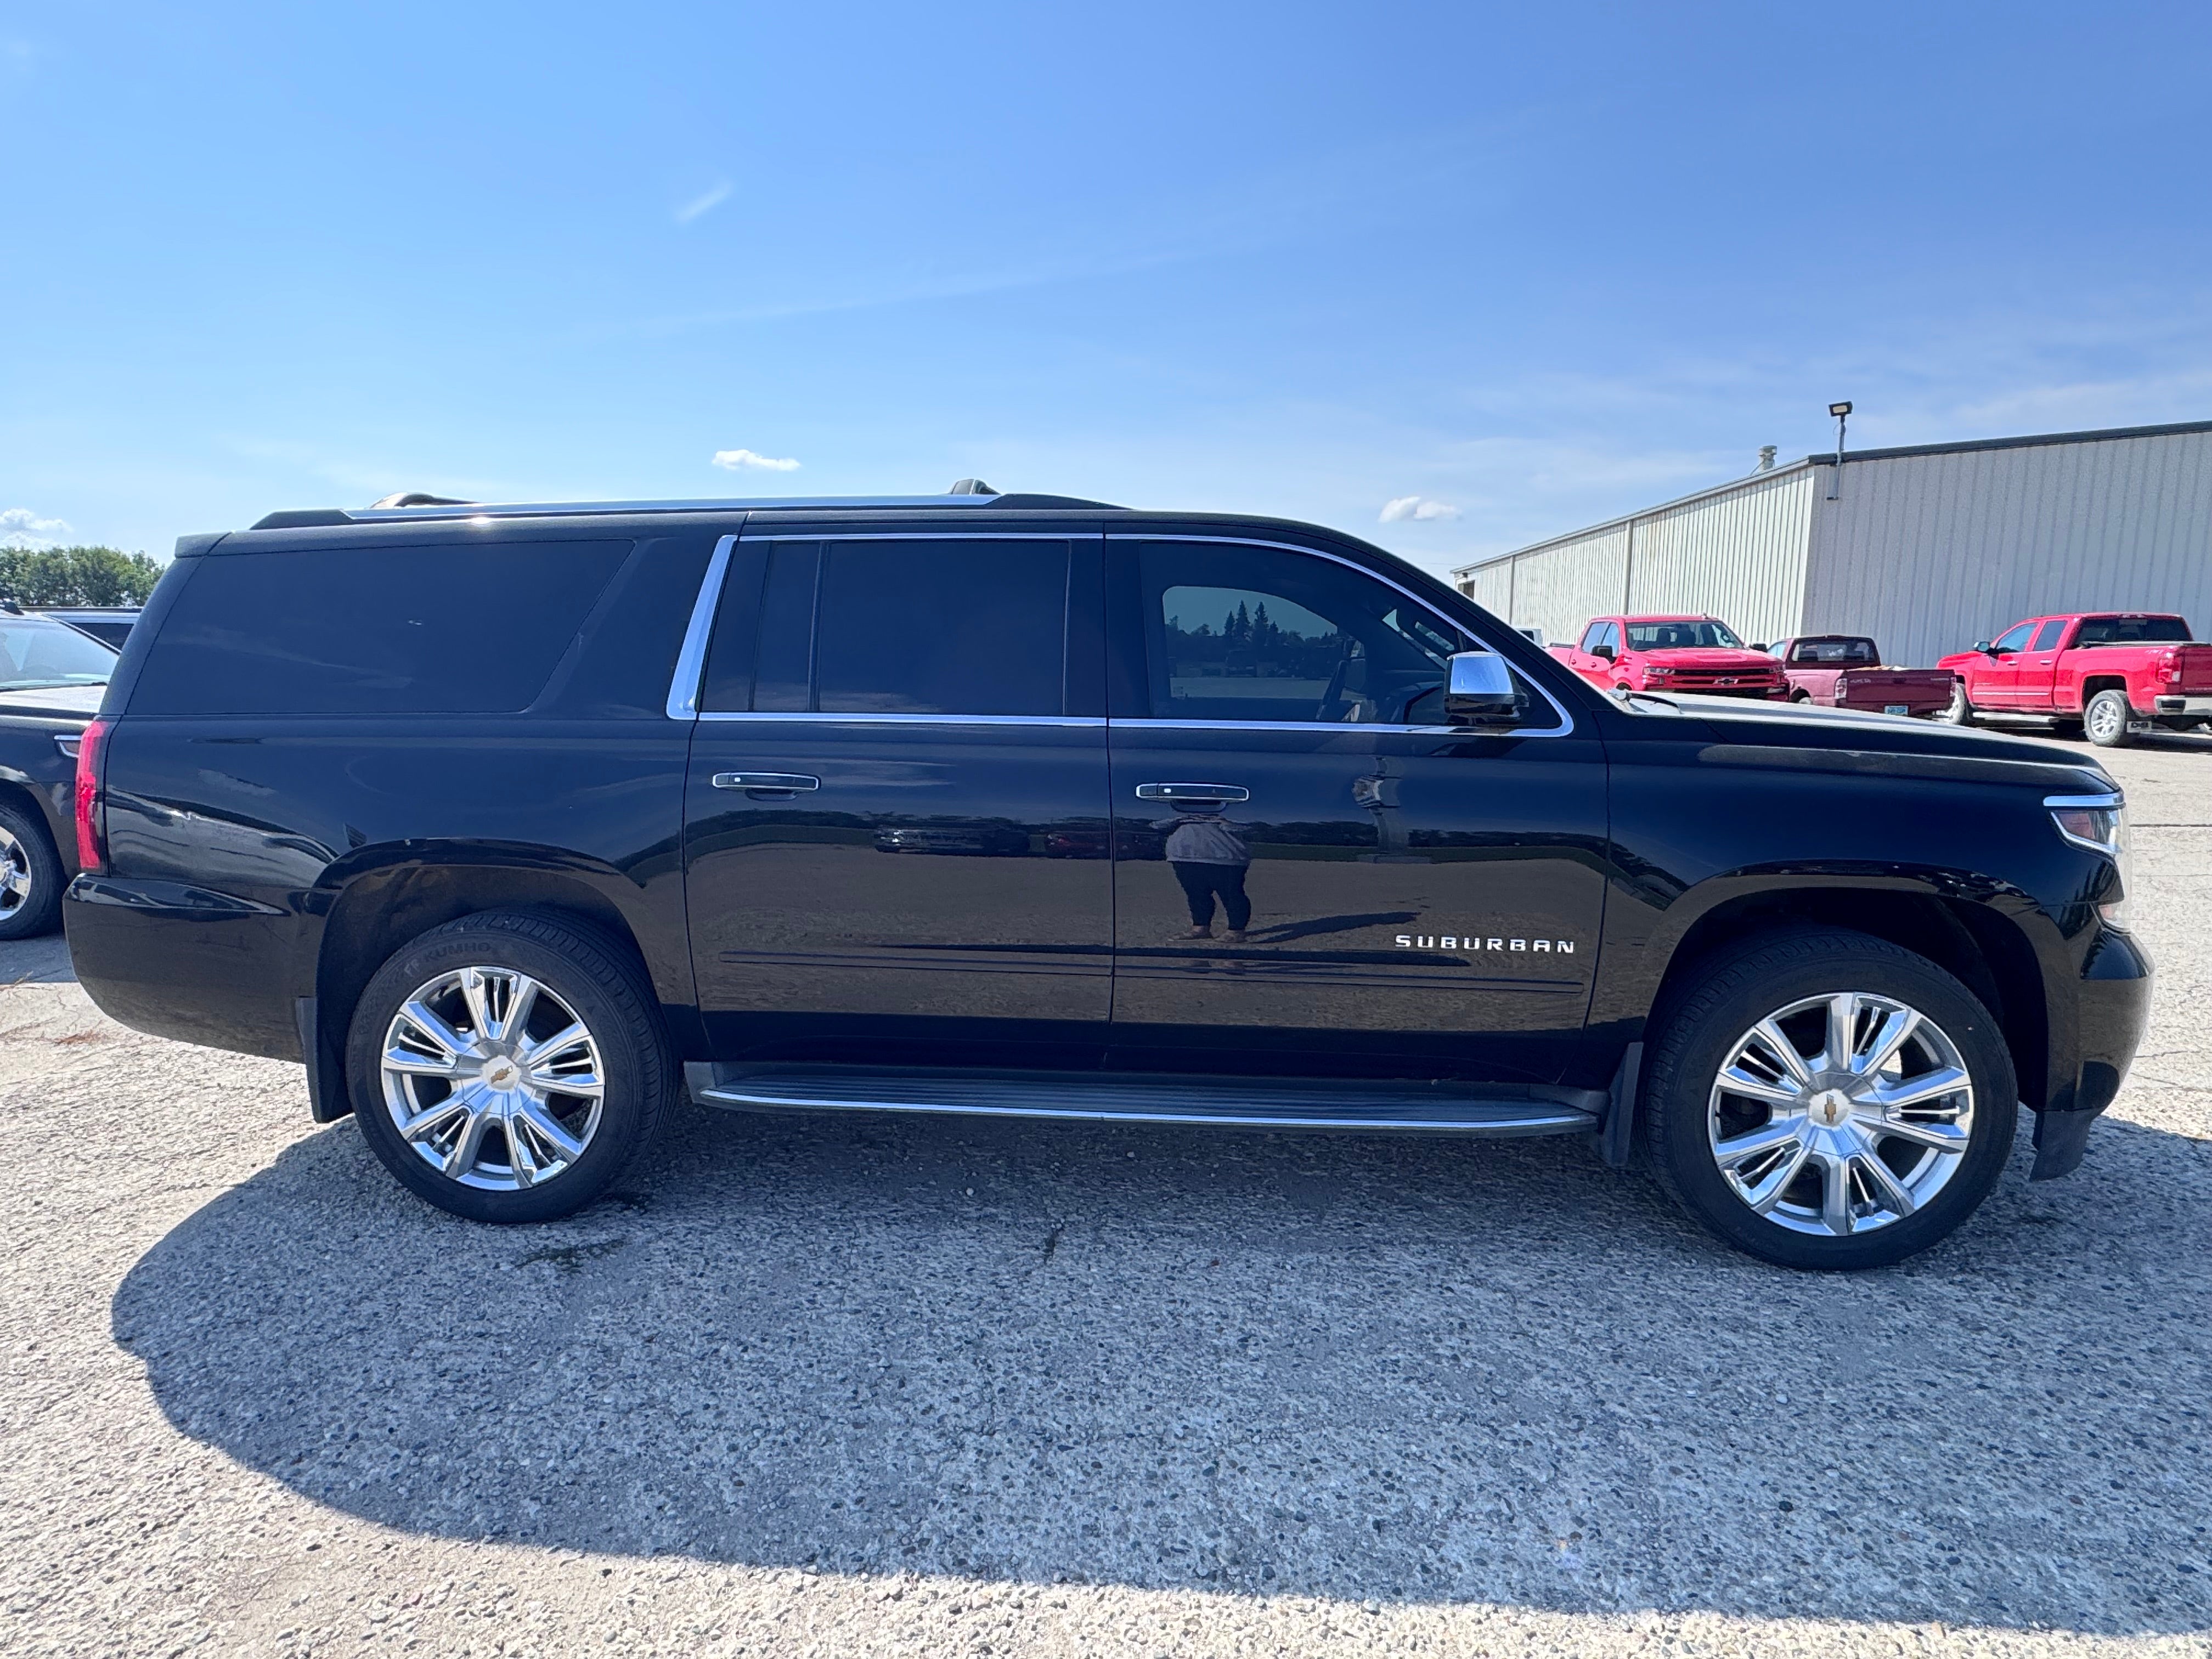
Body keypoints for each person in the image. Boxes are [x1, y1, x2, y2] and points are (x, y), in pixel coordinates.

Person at [1153, 805, 1252, 942]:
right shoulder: (1177, 807)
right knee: (1196, 895)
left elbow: (1245, 825)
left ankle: (1236, 930)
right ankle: (1200, 928)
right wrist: (1183, 817)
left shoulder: (1230, 807)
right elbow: (1157, 825)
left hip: (1226, 857)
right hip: (1184, 857)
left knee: (1231, 895)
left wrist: (1217, 819)